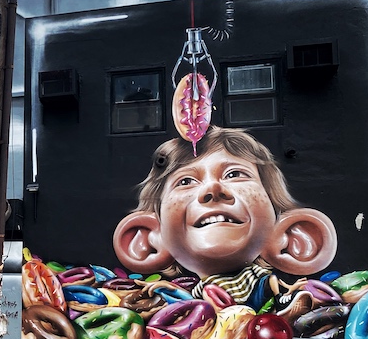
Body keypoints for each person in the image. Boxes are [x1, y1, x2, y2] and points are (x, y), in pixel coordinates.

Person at [113, 127, 337, 304]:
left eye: (235, 174)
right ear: (148, 242)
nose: (213, 188)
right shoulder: (190, 298)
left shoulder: (264, 285)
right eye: (186, 181)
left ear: (293, 238)